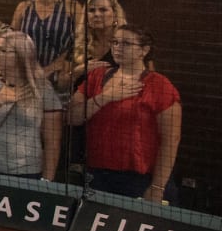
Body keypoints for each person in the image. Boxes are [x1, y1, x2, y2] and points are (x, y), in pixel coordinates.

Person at [67, 24, 181, 202]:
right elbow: (73, 118)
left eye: (126, 44)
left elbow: (170, 140)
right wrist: (105, 97)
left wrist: (158, 186)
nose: (118, 48)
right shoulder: (97, 76)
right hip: (97, 175)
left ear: (144, 50)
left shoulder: (160, 85)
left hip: (139, 179)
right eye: (115, 42)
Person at [0, 30, 64, 179]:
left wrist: (46, 181)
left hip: (27, 173)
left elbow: (52, 142)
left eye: (2, 50)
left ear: (21, 56)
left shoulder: (43, 90)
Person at [9, 0, 81, 86]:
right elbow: (12, 40)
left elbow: (81, 40)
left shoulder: (72, 7)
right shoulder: (23, 7)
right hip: (27, 75)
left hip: (60, 75)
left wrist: (51, 69)